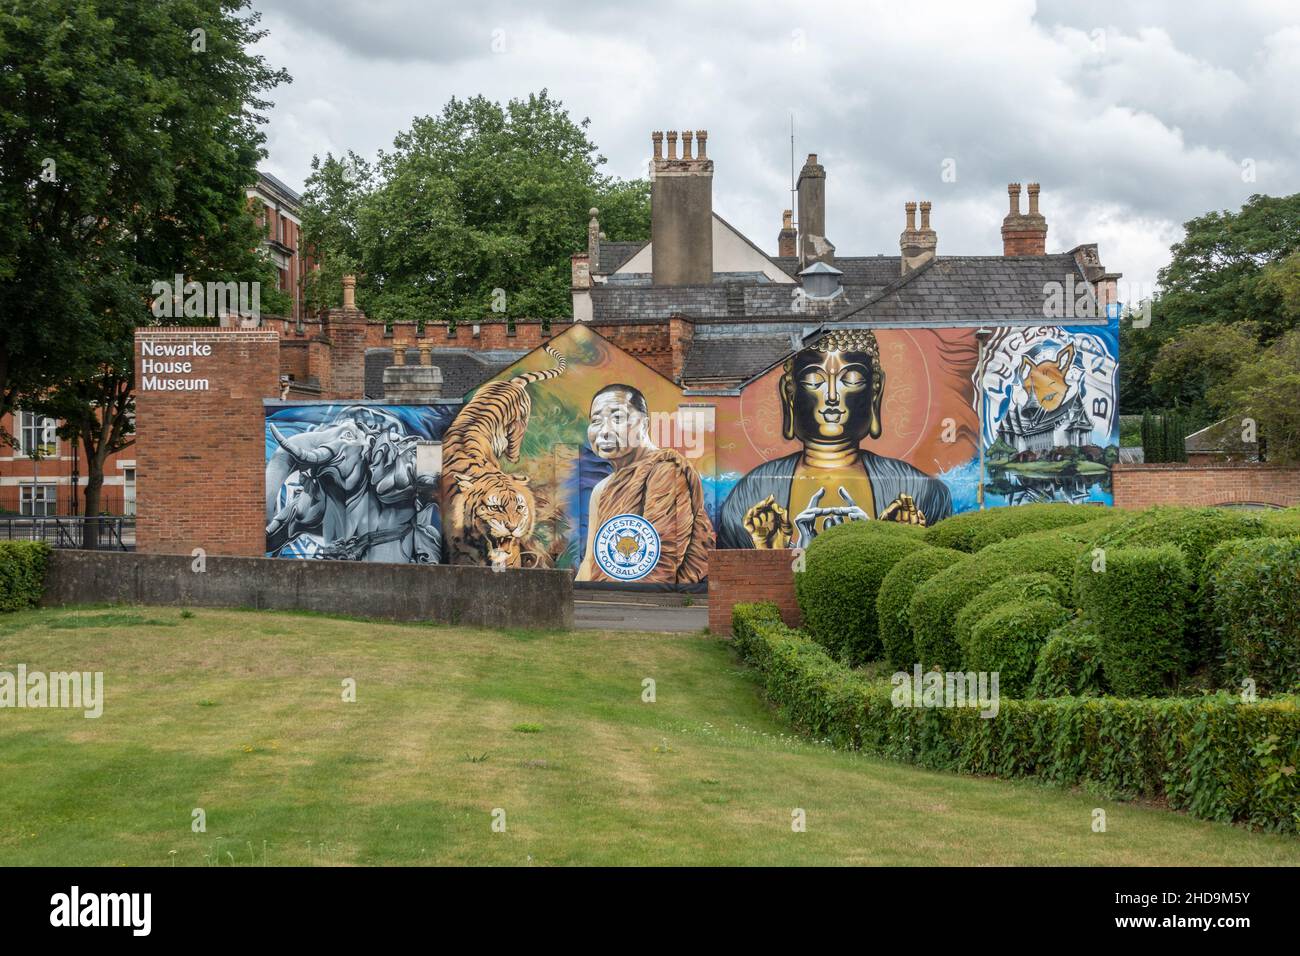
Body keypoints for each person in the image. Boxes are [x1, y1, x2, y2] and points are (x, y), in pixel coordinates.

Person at [718, 328, 951, 549]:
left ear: (875, 392)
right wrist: (774, 554)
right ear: (789, 394)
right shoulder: (752, 494)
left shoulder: (921, 492)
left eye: (850, 379)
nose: (831, 396)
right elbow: (733, 575)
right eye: (813, 381)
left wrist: (902, 544)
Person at [577, 384, 714, 583]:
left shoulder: (665, 471)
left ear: (644, 424)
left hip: (648, 603)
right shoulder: (602, 488)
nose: (604, 431)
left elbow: (662, 559)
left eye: (617, 418)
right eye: (596, 420)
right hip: (609, 598)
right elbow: (590, 560)